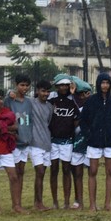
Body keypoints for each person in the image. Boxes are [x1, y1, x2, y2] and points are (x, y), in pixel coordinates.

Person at [80, 71, 111, 212]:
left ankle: (108, 203)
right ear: (98, 84)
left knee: (110, 171)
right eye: (103, 83)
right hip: (94, 142)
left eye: (107, 83)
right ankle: (92, 204)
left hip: (109, 141)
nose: (105, 85)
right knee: (93, 171)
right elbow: (83, 120)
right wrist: (88, 135)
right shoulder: (91, 101)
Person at [48, 76, 80, 209]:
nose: (64, 88)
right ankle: (55, 202)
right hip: (53, 141)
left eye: (66, 85)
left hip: (67, 141)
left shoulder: (73, 101)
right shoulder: (52, 100)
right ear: (56, 86)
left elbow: (77, 119)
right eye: (61, 85)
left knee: (66, 169)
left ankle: (66, 202)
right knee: (54, 169)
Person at [4, 73, 33, 208]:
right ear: (16, 85)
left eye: (27, 85)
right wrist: (9, 93)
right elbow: (2, 106)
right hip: (14, 142)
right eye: (22, 85)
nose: (24, 88)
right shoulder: (10, 100)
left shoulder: (29, 102)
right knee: (14, 174)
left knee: (21, 172)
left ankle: (18, 202)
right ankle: (15, 204)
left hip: (26, 142)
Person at [29, 79, 54, 211]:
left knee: (42, 173)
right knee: (39, 171)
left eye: (48, 91)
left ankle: (38, 202)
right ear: (37, 91)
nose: (46, 94)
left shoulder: (50, 107)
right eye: (43, 91)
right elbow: (14, 98)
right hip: (34, 144)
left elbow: (48, 123)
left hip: (46, 143)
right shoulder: (31, 103)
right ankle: (37, 203)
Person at [70, 78, 92, 210]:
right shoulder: (74, 105)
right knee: (77, 173)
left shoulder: (92, 106)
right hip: (76, 143)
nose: (81, 97)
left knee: (92, 173)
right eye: (77, 94)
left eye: (82, 94)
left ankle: (91, 201)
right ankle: (78, 200)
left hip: (90, 143)